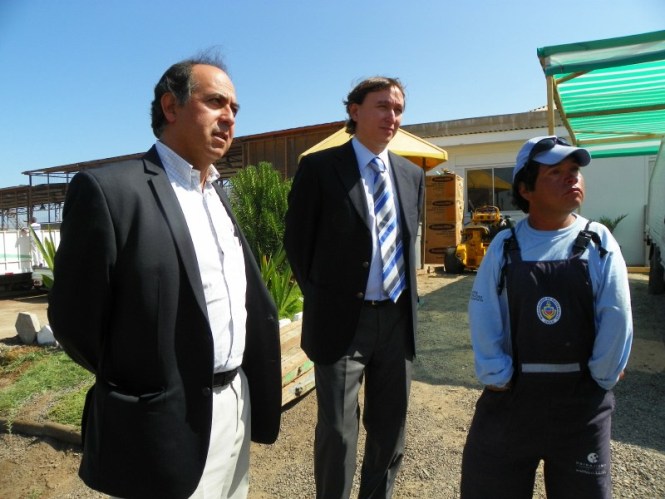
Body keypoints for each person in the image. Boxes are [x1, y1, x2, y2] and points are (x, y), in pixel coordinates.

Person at [48, 54, 282, 499]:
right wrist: (144, 383)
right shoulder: (112, 192)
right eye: (215, 102)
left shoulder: (216, 193)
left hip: (235, 403)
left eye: (235, 108)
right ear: (170, 107)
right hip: (165, 420)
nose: (229, 117)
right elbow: (75, 321)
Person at [460, 136, 633, 498]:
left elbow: (617, 314)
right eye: (556, 172)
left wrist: (602, 374)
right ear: (526, 188)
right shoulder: (504, 245)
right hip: (510, 404)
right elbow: (483, 310)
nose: (572, 178)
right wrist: (495, 373)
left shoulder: (599, 241)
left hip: (581, 409)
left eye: (574, 171)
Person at [284, 77, 425, 498]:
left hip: (397, 321)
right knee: (339, 432)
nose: (392, 117)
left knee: (390, 430)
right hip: (343, 325)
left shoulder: (411, 175)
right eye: (382, 106)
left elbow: (406, 242)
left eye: (398, 109)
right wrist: (326, 297)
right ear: (354, 111)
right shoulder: (321, 168)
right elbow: (297, 242)